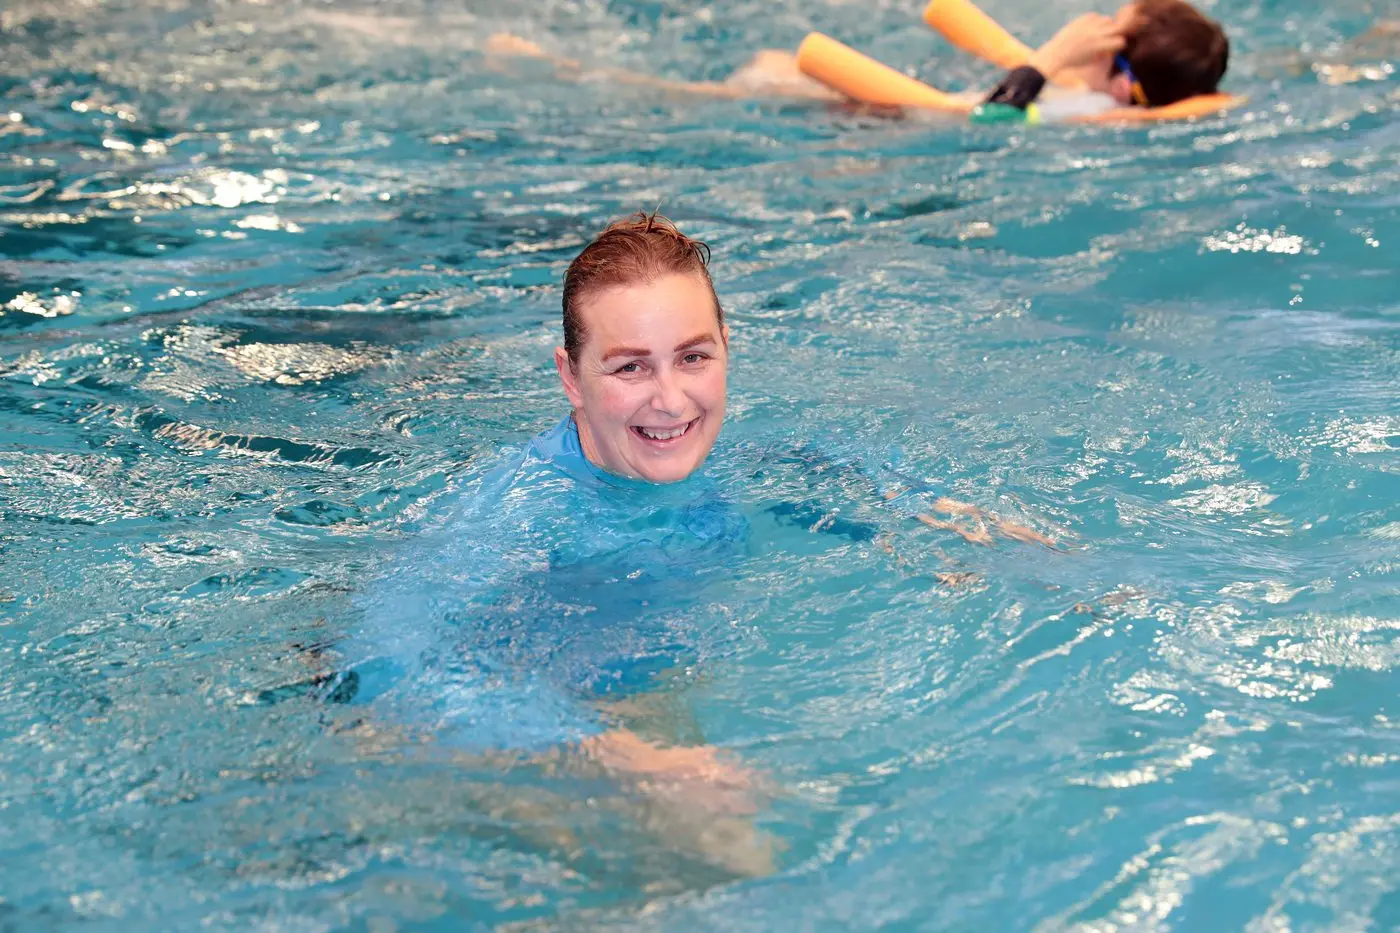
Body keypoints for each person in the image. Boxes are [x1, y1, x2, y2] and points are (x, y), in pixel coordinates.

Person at [486, 0, 1229, 117]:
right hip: (890, 118)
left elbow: (993, 123)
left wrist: (1054, 55)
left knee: (711, 92)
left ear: (1123, 70)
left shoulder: (1092, 113)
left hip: (882, 125)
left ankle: (564, 72)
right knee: (759, 74)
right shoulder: (1091, 100)